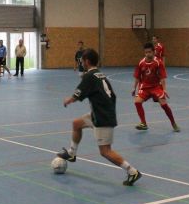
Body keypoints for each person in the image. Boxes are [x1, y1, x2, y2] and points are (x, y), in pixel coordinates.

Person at [57, 48, 142, 186]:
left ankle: (132, 172)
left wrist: (68, 100)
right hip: (98, 113)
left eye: (82, 61)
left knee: (105, 151)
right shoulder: (100, 74)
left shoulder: (89, 76)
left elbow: (77, 95)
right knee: (76, 124)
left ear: (87, 61)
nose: (81, 63)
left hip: (102, 118)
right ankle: (72, 153)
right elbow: (113, 96)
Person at [133, 42, 180, 132]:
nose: (148, 54)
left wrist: (164, 89)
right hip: (145, 87)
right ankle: (143, 123)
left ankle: (173, 123)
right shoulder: (141, 63)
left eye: (149, 52)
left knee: (164, 104)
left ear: (154, 52)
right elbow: (137, 77)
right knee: (137, 102)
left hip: (156, 87)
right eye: (146, 52)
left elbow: (162, 78)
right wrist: (134, 88)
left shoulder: (158, 63)